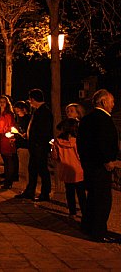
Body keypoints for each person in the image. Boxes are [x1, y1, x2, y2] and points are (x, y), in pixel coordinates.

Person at [77, 89, 120, 243]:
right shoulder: (102, 119)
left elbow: (82, 143)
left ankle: (88, 227)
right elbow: (103, 142)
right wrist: (108, 160)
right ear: (103, 102)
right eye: (112, 101)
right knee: (102, 200)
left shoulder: (87, 119)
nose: (113, 104)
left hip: (89, 164)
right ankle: (99, 232)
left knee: (93, 198)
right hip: (100, 166)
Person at [15, 89, 53, 202]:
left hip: (39, 146)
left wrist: (37, 142)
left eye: (30, 99)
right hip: (35, 145)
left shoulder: (44, 112)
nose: (29, 102)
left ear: (33, 99)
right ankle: (30, 191)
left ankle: (45, 193)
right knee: (32, 169)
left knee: (42, 169)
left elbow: (44, 130)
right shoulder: (38, 111)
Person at [51, 118, 85, 219]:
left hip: (66, 170)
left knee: (69, 192)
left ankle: (72, 212)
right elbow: (80, 155)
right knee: (81, 193)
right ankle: (85, 212)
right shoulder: (77, 141)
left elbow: (55, 157)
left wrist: (52, 147)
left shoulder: (57, 141)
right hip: (78, 170)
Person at [0, 96, 17, 189]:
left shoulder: (8, 114)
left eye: (4, 102)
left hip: (6, 139)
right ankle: (7, 178)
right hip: (1, 139)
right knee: (5, 159)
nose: (2, 104)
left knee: (8, 160)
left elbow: (9, 127)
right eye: (0, 102)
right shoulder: (0, 114)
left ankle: (9, 181)